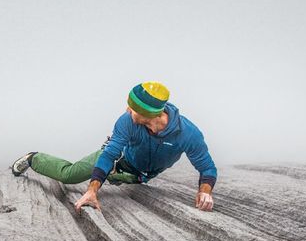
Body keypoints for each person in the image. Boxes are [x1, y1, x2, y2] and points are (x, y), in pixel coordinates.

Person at [11, 82, 217, 214]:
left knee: (118, 180)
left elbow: (207, 168)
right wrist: (92, 190)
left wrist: (204, 192)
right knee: (70, 175)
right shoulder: (127, 121)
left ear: (150, 113)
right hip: (116, 160)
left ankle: (112, 178)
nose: (127, 109)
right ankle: (33, 158)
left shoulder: (188, 134)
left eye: (133, 108)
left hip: (137, 176)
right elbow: (110, 154)